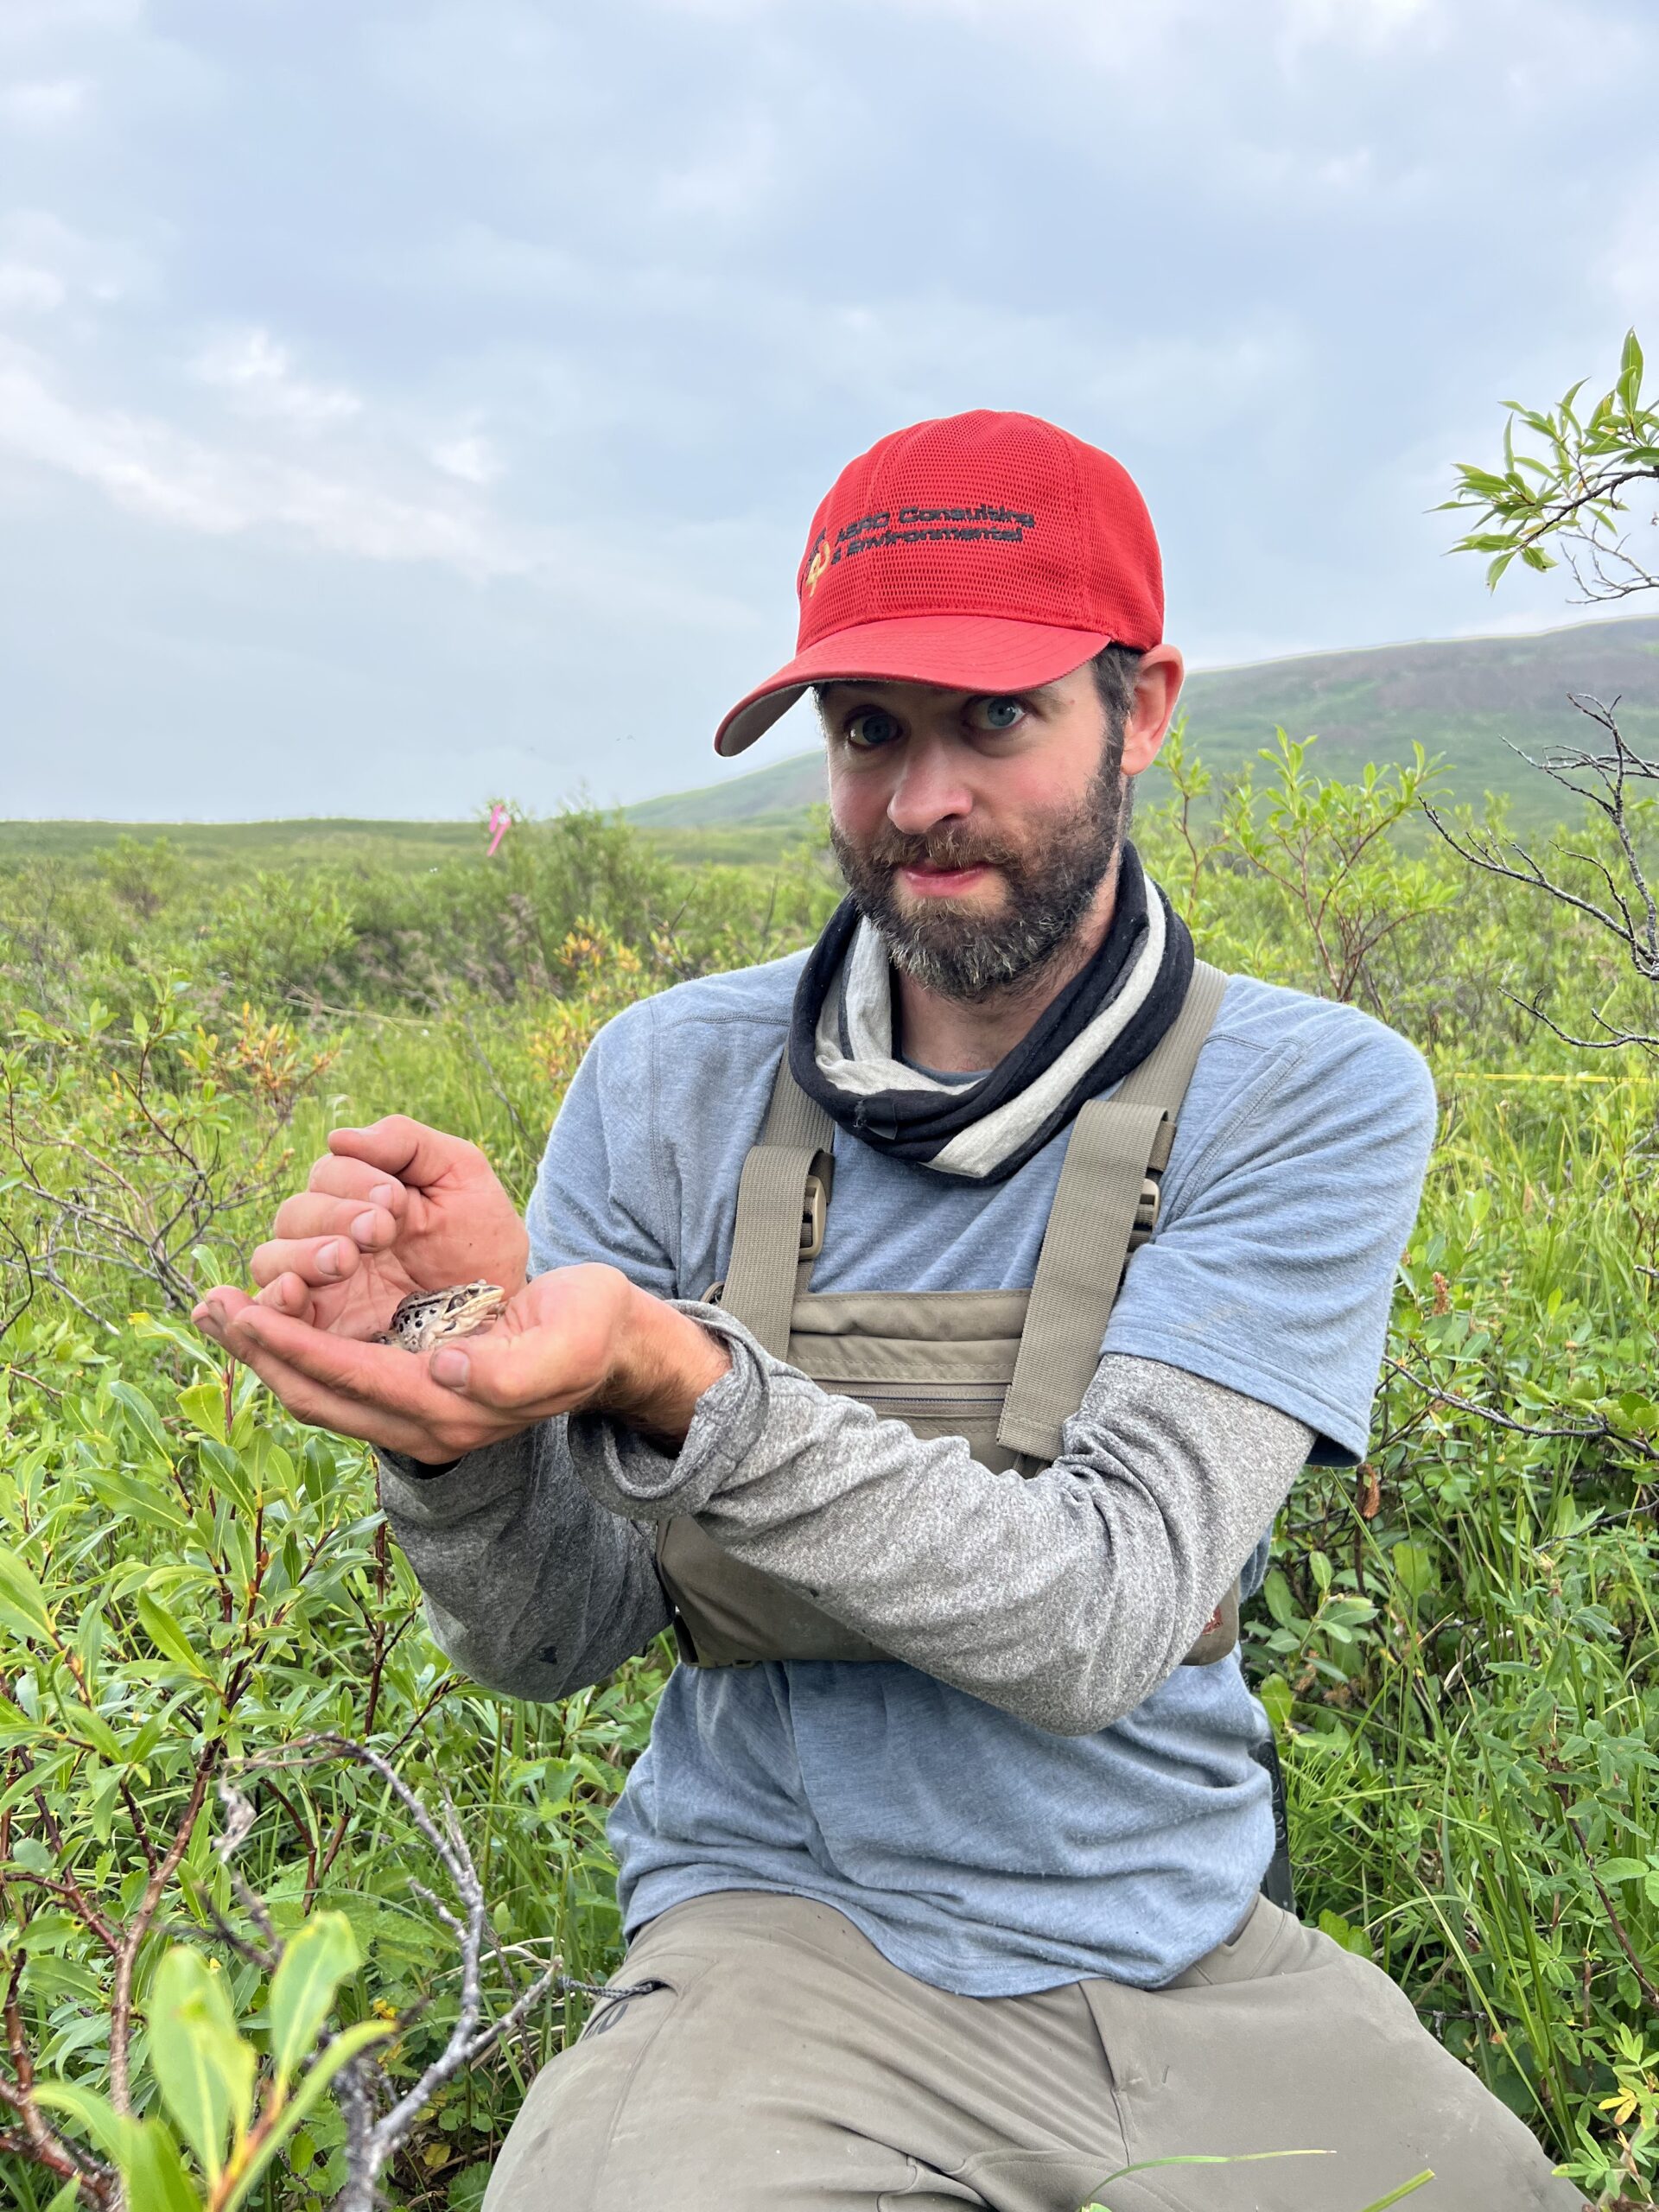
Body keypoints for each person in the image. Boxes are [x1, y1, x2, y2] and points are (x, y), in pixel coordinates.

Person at [194, 411, 1580, 2212]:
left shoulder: (1305, 1092)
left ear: (1142, 707)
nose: (925, 794)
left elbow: (1108, 1615)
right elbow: (558, 1636)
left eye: (995, 717)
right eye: (870, 729)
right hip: (783, 1956)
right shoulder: (666, 1076)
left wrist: (676, 1371)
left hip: (1188, 1953)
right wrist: (449, 1423)